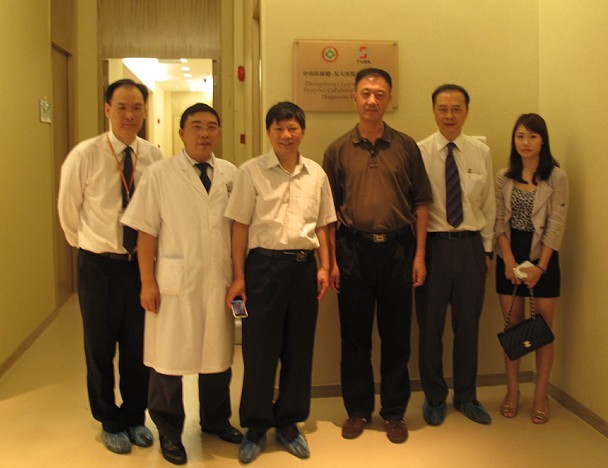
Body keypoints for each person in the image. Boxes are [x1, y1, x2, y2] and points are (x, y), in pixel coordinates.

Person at [120, 103, 243, 465]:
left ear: (218, 132)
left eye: (211, 126)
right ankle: (169, 431)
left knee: (217, 356)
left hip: (218, 279)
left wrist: (239, 276)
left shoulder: (231, 174)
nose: (204, 134)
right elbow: (145, 232)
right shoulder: (159, 174)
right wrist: (147, 282)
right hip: (174, 281)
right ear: (181, 133)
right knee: (168, 361)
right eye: (196, 126)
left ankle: (216, 420)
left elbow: (239, 229)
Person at [323, 68, 432, 444]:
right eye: (366, 93)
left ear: (389, 99)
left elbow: (421, 204)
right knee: (354, 337)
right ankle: (357, 410)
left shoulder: (406, 147)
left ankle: (394, 412)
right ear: (354, 97)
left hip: (399, 251)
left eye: (379, 94)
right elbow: (327, 213)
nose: (372, 100)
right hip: (352, 250)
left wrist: (419, 256)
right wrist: (331, 261)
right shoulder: (337, 150)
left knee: (397, 337)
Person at [225, 101, 336, 464]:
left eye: (293, 128)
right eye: (279, 129)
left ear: (302, 131)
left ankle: (288, 423)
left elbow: (323, 223)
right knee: (259, 351)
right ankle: (256, 426)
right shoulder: (251, 172)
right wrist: (239, 276)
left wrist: (325, 265)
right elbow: (239, 226)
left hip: (303, 268)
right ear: (268, 132)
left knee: (299, 350)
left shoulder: (316, 174)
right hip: (264, 268)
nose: (286, 135)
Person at [57, 79, 161, 454]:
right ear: (107, 110)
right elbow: (68, 212)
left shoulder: (154, 158)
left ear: (145, 111)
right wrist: (91, 247)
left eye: (136, 107)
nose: (129, 114)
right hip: (97, 266)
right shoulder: (84, 155)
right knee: (99, 348)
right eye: (121, 107)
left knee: (137, 348)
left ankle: (135, 417)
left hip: (139, 267)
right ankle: (109, 420)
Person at [415, 84, 496, 427]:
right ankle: (434, 396)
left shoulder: (481, 152)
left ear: (466, 111)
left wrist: (487, 250)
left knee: (468, 328)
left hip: (470, 247)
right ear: (434, 111)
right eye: (443, 108)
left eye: (456, 109)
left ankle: (466, 396)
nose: (449, 115)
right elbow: (415, 207)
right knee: (430, 328)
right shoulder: (419, 152)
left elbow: (489, 205)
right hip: (433, 247)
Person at [495, 113, 568, 424]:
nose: (525, 142)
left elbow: (556, 224)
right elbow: (499, 221)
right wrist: (508, 260)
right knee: (513, 326)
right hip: (510, 254)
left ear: (543, 141)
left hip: (544, 256)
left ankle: (541, 393)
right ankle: (512, 391)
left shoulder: (557, 177)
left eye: (532, 137)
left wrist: (541, 267)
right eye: (520, 136)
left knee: (543, 329)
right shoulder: (504, 176)